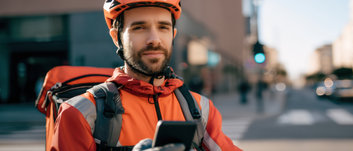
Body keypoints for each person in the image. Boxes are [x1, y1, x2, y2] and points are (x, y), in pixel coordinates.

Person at [50, 0, 241, 151]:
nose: (154, 39)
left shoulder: (200, 108)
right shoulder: (80, 113)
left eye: (163, 27)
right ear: (117, 37)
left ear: (173, 35)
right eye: (139, 27)